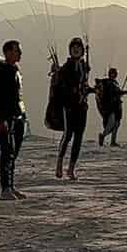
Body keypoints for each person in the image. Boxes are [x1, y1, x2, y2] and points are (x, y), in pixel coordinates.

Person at [0, 40, 27, 201]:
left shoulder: (14, 70)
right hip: (7, 117)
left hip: (18, 115)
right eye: (17, 50)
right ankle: (5, 188)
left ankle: (11, 186)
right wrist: (0, 119)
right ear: (8, 52)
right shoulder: (0, 73)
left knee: (13, 153)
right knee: (7, 152)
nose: (20, 53)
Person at [55, 37, 93, 179]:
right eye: (73, 48)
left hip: (82, 106)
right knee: (68, 135)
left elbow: (84, 86)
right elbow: (62, 86)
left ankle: (71, 168)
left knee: (78, 137)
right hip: (69, 106)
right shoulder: (66, 68)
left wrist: (94, 90)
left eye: (78, 48)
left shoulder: (84, 67)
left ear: (82, 51)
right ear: (70, 51)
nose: (76, 50)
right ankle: (59, 163)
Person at [96, 67, 127, 147]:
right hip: (110, 107)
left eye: (115, 73)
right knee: (111, 123)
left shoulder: (115, 83)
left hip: (117, 106)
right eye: (113, 73)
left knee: (116, 124)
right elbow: (118, 92)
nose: (115, 75)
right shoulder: (107, 82)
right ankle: (102, 135)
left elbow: (118, 93)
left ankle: (113, 141)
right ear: (110, 74)